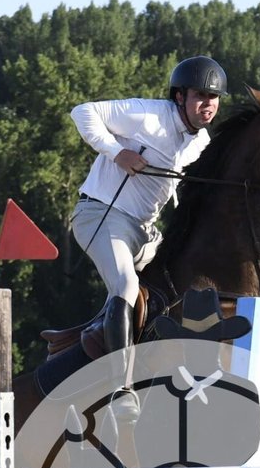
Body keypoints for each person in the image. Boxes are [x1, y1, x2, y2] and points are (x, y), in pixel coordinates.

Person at [69, 56, 228, 354]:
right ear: (179, 97)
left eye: (214, 96)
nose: (208, 103)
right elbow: (82, 111)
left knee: (183, 282)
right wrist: (118, 153)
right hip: (101, 215)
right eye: (200, 95)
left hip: (144, 232)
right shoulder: (148, 115)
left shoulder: (202, 143)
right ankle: (120, 377)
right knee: (126, 286)